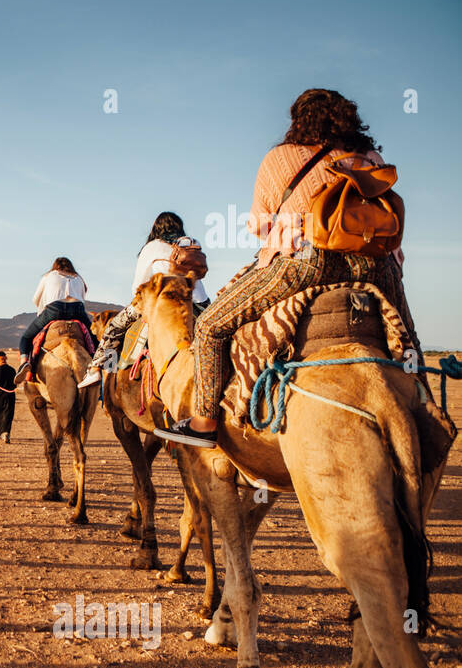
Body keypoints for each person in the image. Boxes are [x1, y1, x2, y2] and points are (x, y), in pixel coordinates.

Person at [157, 89, 418, 448]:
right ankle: (425, 412)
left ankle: (204, 422)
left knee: (210, 326)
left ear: (299, 121)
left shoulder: (281, 157)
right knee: (407, 341)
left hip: (307, 262)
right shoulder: (371, 158)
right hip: (377, 268)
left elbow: (257, 224)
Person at [78, 212, 210, 389]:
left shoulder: (151, 247)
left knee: (114, 327)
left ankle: (101, 371)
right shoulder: (188, 247)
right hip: (197, 302)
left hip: (160, 301)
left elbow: (137, 285)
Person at [12, 257, 92, 386]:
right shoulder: (79, 278)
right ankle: (100, 365)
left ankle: (24, 363)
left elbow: (35, 299)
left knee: (26, 337)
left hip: (55, 309)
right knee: (94, 336)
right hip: (78, 310)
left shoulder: (49, 276)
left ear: (55, 266)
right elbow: (83, 295)